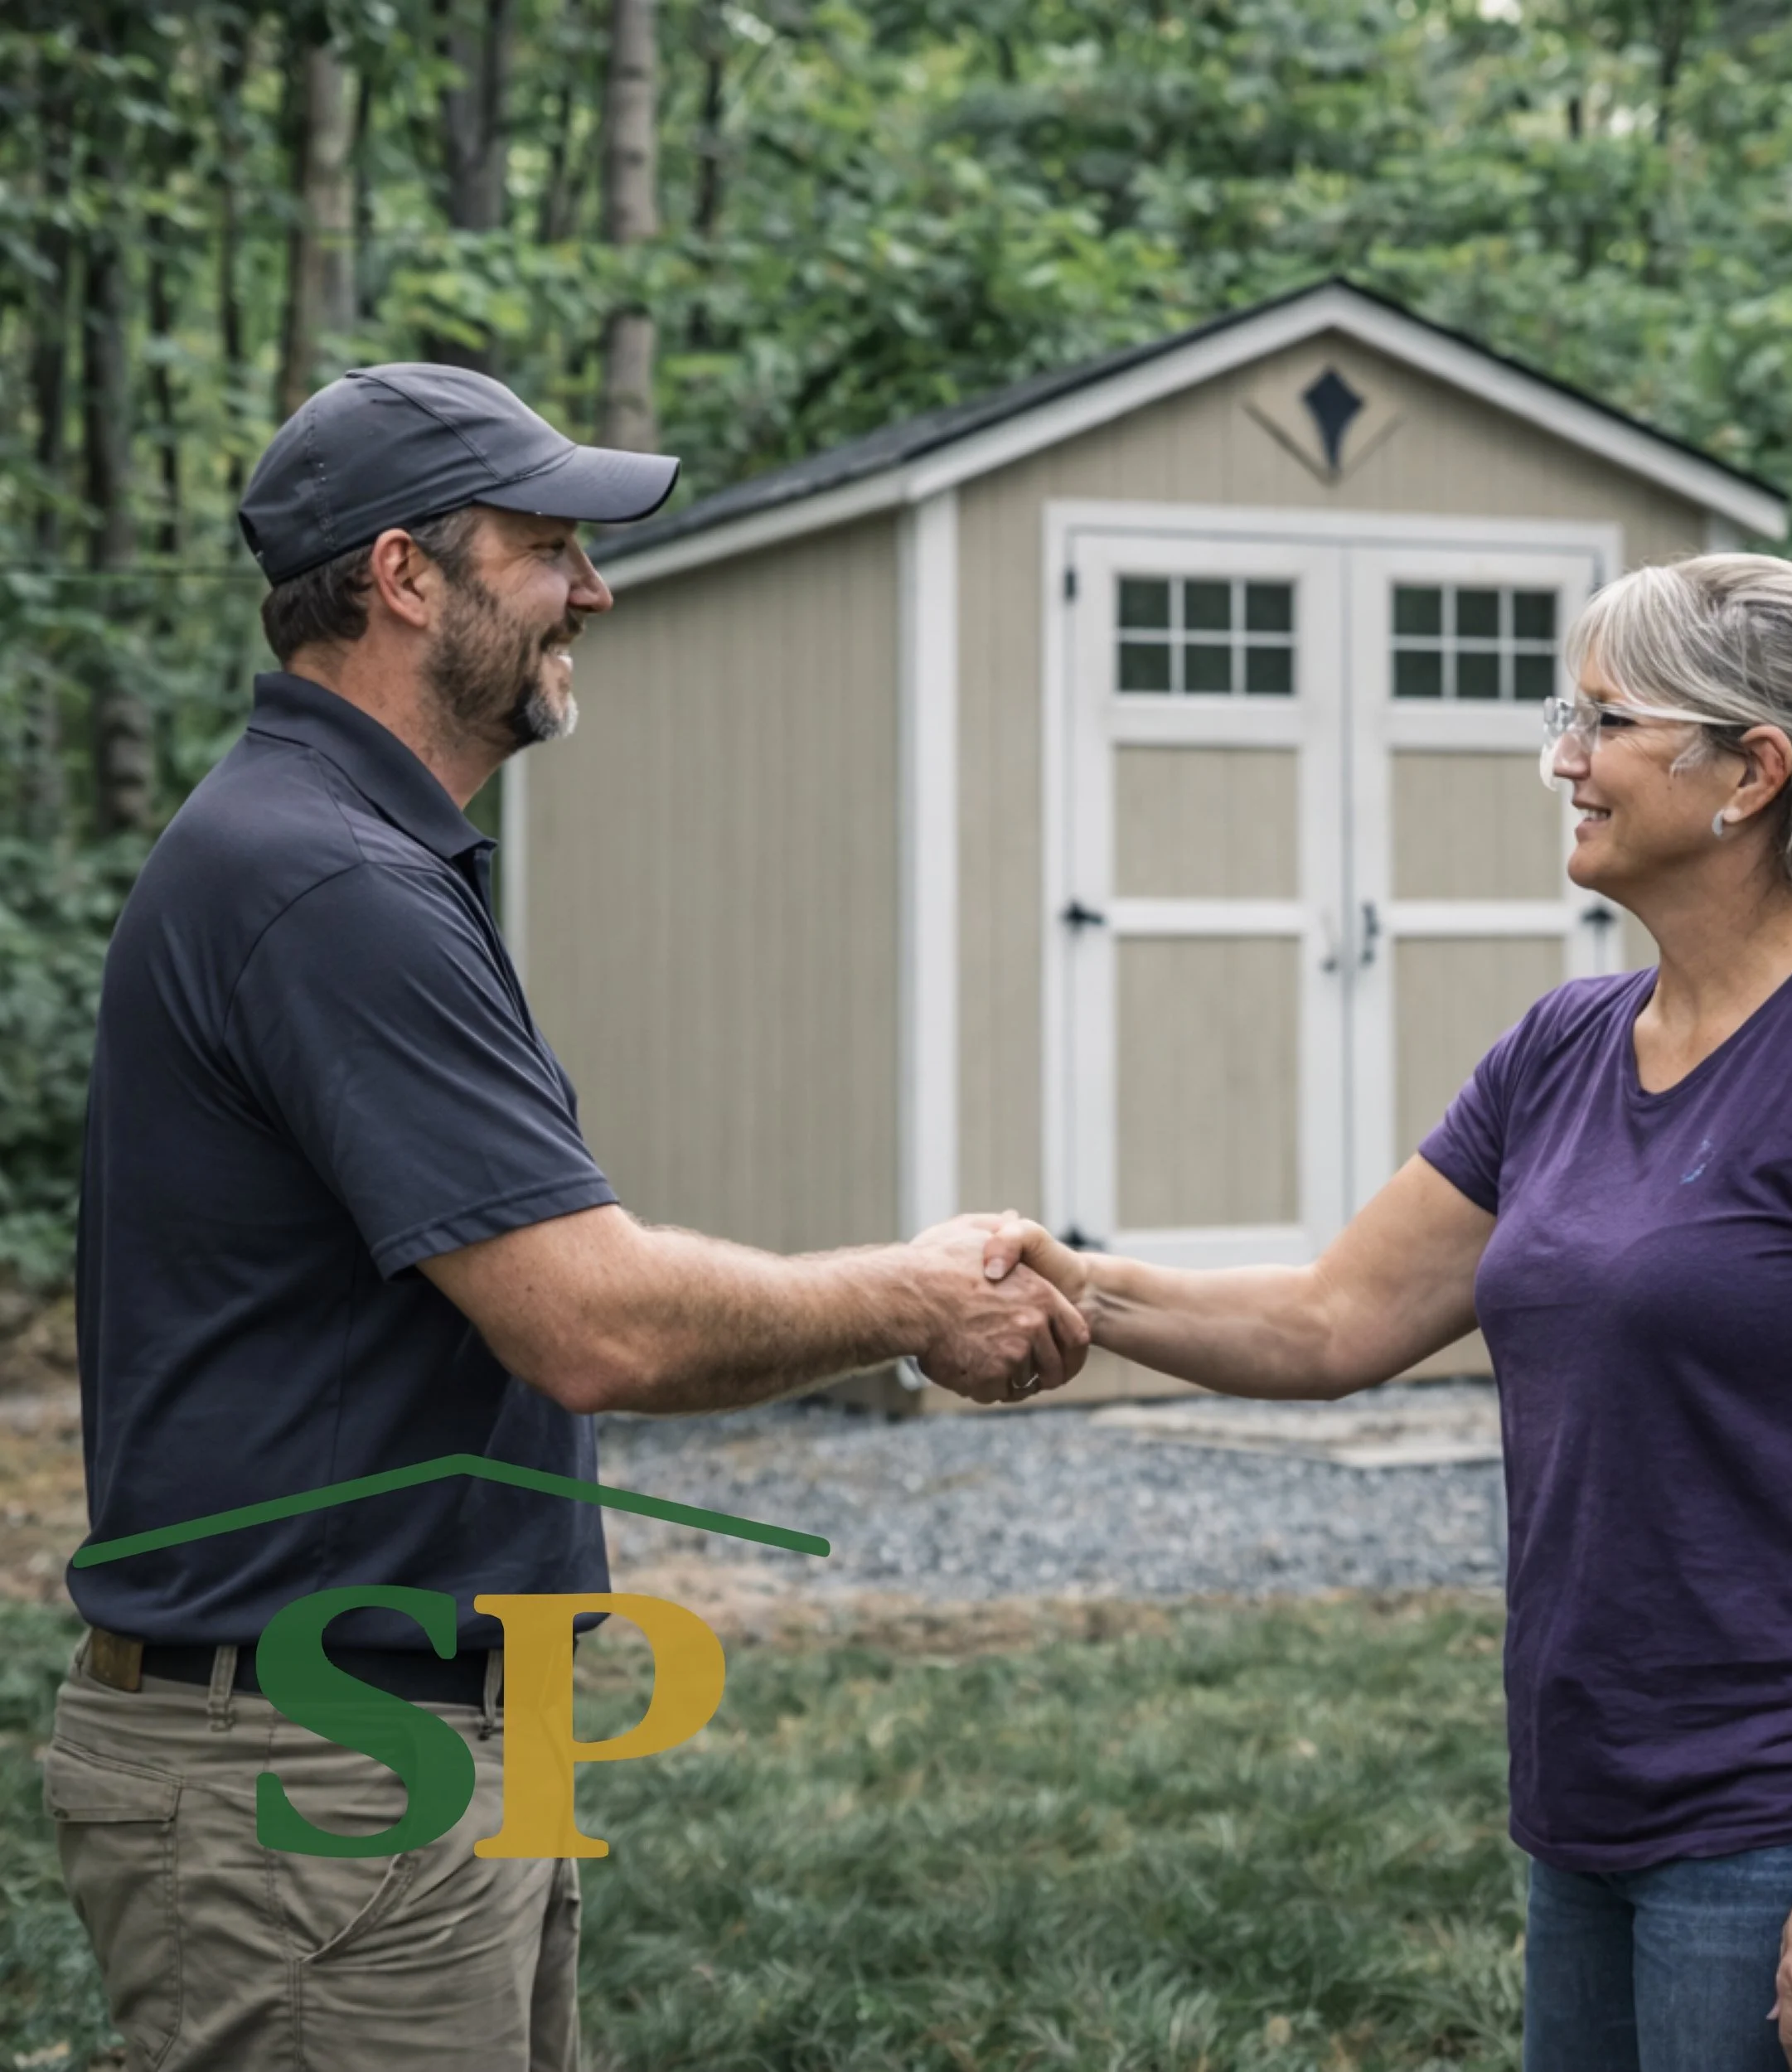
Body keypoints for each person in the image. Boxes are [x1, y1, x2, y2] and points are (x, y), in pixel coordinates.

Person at [51, 364, 1088, 2072]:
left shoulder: (342, 854)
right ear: (403, 577)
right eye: (548, 549)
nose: (593, 590)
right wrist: (911, 1294)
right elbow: (593, 1320)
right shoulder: (327, 884)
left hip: (415, 1733)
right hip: (320, 1767)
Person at [985, 554, 1792, 2072]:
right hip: (1594, 1808)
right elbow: (1329, 1319)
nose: (1565, 756)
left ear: (1749, 772)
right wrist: (1068, 1286)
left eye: (1606, 718)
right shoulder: (1567, 1044)